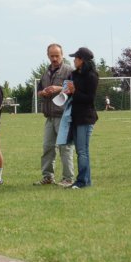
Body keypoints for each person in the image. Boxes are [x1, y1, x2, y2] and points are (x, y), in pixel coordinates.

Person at [34, 43, 75, 186]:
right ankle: (48, 177)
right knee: (48, 147)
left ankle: (68, 178)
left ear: (62, 55)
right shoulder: (45, 73)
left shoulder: (69, 71)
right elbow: (39, 91)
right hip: (49, 117)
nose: (54, 58)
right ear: (48, 56)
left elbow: (75, 88)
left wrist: (58, 88)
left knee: (65, 148)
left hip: (64, 116)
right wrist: (43, 92)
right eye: (52, 56)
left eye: (57, 55)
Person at [62, 47, 98, 189]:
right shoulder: (73, 74)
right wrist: (66, 91)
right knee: (79, 150)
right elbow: (70, 92)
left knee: (82, 151)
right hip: (74, 116)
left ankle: (82, 182)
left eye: (76, 58)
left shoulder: (92, 76)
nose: (74, 60)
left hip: (86, 117)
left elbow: (90, 99)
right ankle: (84, 180)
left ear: (82, 60)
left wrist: (74, 91)